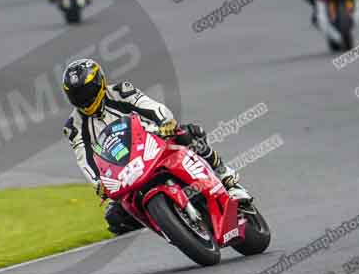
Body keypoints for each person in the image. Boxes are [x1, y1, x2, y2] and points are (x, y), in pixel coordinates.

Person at [61, 59, 253, 236]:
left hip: (152, 140)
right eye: (76, 95)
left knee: (190, 134)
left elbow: (150, 106)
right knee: (115, 219)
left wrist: (165, 121)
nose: (83, 99)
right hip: (123, 169)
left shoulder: (120, 91)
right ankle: (170, 223)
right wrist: (98, 183)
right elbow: (84, 158)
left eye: (86, 92)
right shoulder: (74, 127)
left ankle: (228, 180)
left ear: (99, 83)